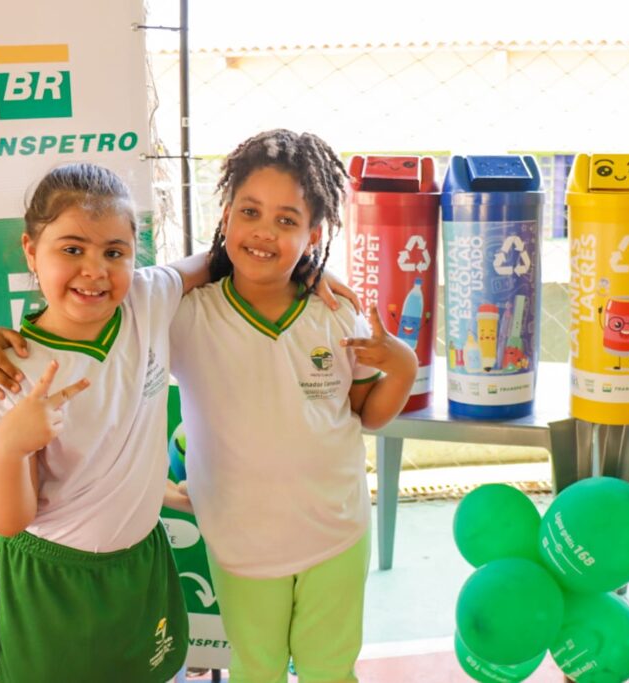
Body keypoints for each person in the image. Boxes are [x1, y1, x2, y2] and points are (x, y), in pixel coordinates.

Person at [169, 129, 417, 682]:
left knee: (329, 670)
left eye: (286, 220)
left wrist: (400, 363)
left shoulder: (336, 312)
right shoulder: (187, 316)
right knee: (256, 671)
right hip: (241, 545)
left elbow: (368, 414)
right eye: (250, 212)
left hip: (336, 534)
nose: (263, 232)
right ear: (226, 216)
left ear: (314, 234)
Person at [0, 162, 200, 682]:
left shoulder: (147, 297)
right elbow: (7, 521)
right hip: (54, 581)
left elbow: (218, 261)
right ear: (31, 250)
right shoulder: (13, 370)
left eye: (113, 252)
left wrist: (312, 271)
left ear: (135, 251)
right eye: (71, 249)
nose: (95, 270)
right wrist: (10, 447)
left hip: (141, 568)